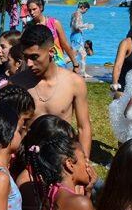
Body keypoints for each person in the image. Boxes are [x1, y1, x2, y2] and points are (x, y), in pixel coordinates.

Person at [9, 24, 92, 156]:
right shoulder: (17, 83)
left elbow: (83, 128)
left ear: (51, 52)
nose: (29, 64)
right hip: (26, 157)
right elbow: (5, 125)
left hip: (60, 157)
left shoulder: (74, 83)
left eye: (34, 57)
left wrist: (85, 161)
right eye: (26, 57)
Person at [25, 0, 79, 71]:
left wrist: (75, 64)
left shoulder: (54, 23)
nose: (32, 12)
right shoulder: (29, 26)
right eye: (29, 10)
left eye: (34, 9)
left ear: (41, 8)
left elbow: (65, 44)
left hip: (57, 63)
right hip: (38, 65)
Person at [70, 2, 94, 78]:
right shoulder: (78, 14)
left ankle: (83, 73)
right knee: (73, 56)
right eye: (86, 10)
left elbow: (71, 25)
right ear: (83, 8)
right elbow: (76, 26)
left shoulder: (74, 13)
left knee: (83, 54)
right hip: (76, 36)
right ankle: (59, 65)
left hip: (75, 35)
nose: (85, 12)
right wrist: (86, 25)